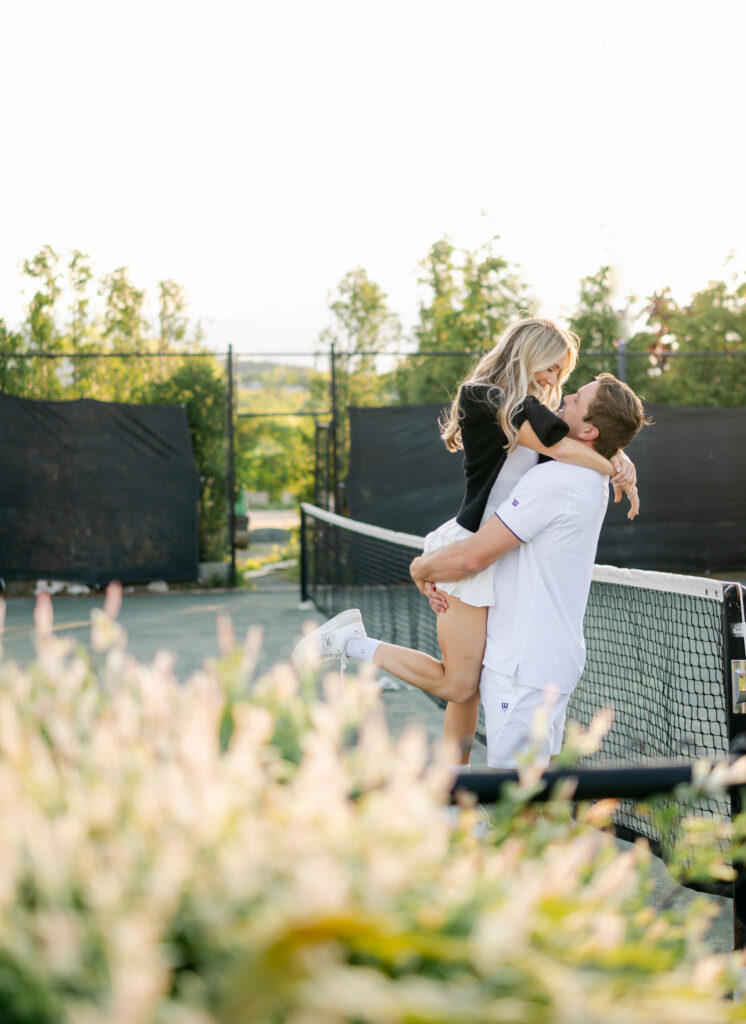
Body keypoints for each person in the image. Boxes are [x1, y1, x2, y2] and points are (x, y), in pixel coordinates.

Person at [294, 318, 637, 759]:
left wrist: (620, 453)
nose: (555, 381)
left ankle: (452, 798)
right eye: (550, 367)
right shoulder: (482, 396)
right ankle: (351, 643)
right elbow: (564, 445)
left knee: (470, 690)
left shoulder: (534, 404)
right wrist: (614, 465)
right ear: (528, 352)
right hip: (467, 547)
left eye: (561, 374)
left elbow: (583, 432)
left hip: (498, 551)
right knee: (459, 685)